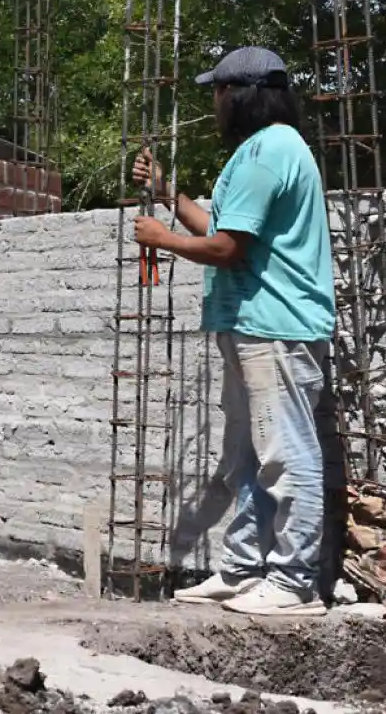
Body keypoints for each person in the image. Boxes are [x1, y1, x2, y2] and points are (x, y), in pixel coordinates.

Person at [132, 46, 335, 618]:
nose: (214, 104)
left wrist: (161, 240)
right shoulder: (266, 151)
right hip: (254, 324)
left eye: (218, 92)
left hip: (274, 326)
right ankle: (245, 569)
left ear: (238, 94)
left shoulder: (267, 153)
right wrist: (171, 196)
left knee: (284, 454)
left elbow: (224, 248)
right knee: (246, 456)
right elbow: (221, 226)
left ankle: (294, 582)